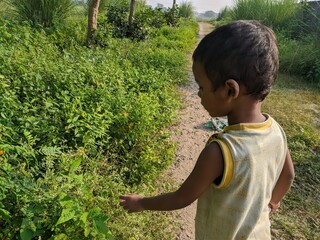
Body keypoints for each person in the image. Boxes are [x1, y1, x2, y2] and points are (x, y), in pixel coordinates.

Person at [120, 20, 295, 239]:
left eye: (201, 87)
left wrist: (141, 202)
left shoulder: (221, 150)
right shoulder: (276, 130)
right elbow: (288, 175)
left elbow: (181, 198)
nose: (198, 94)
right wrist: (272, 203)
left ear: (230, 90)